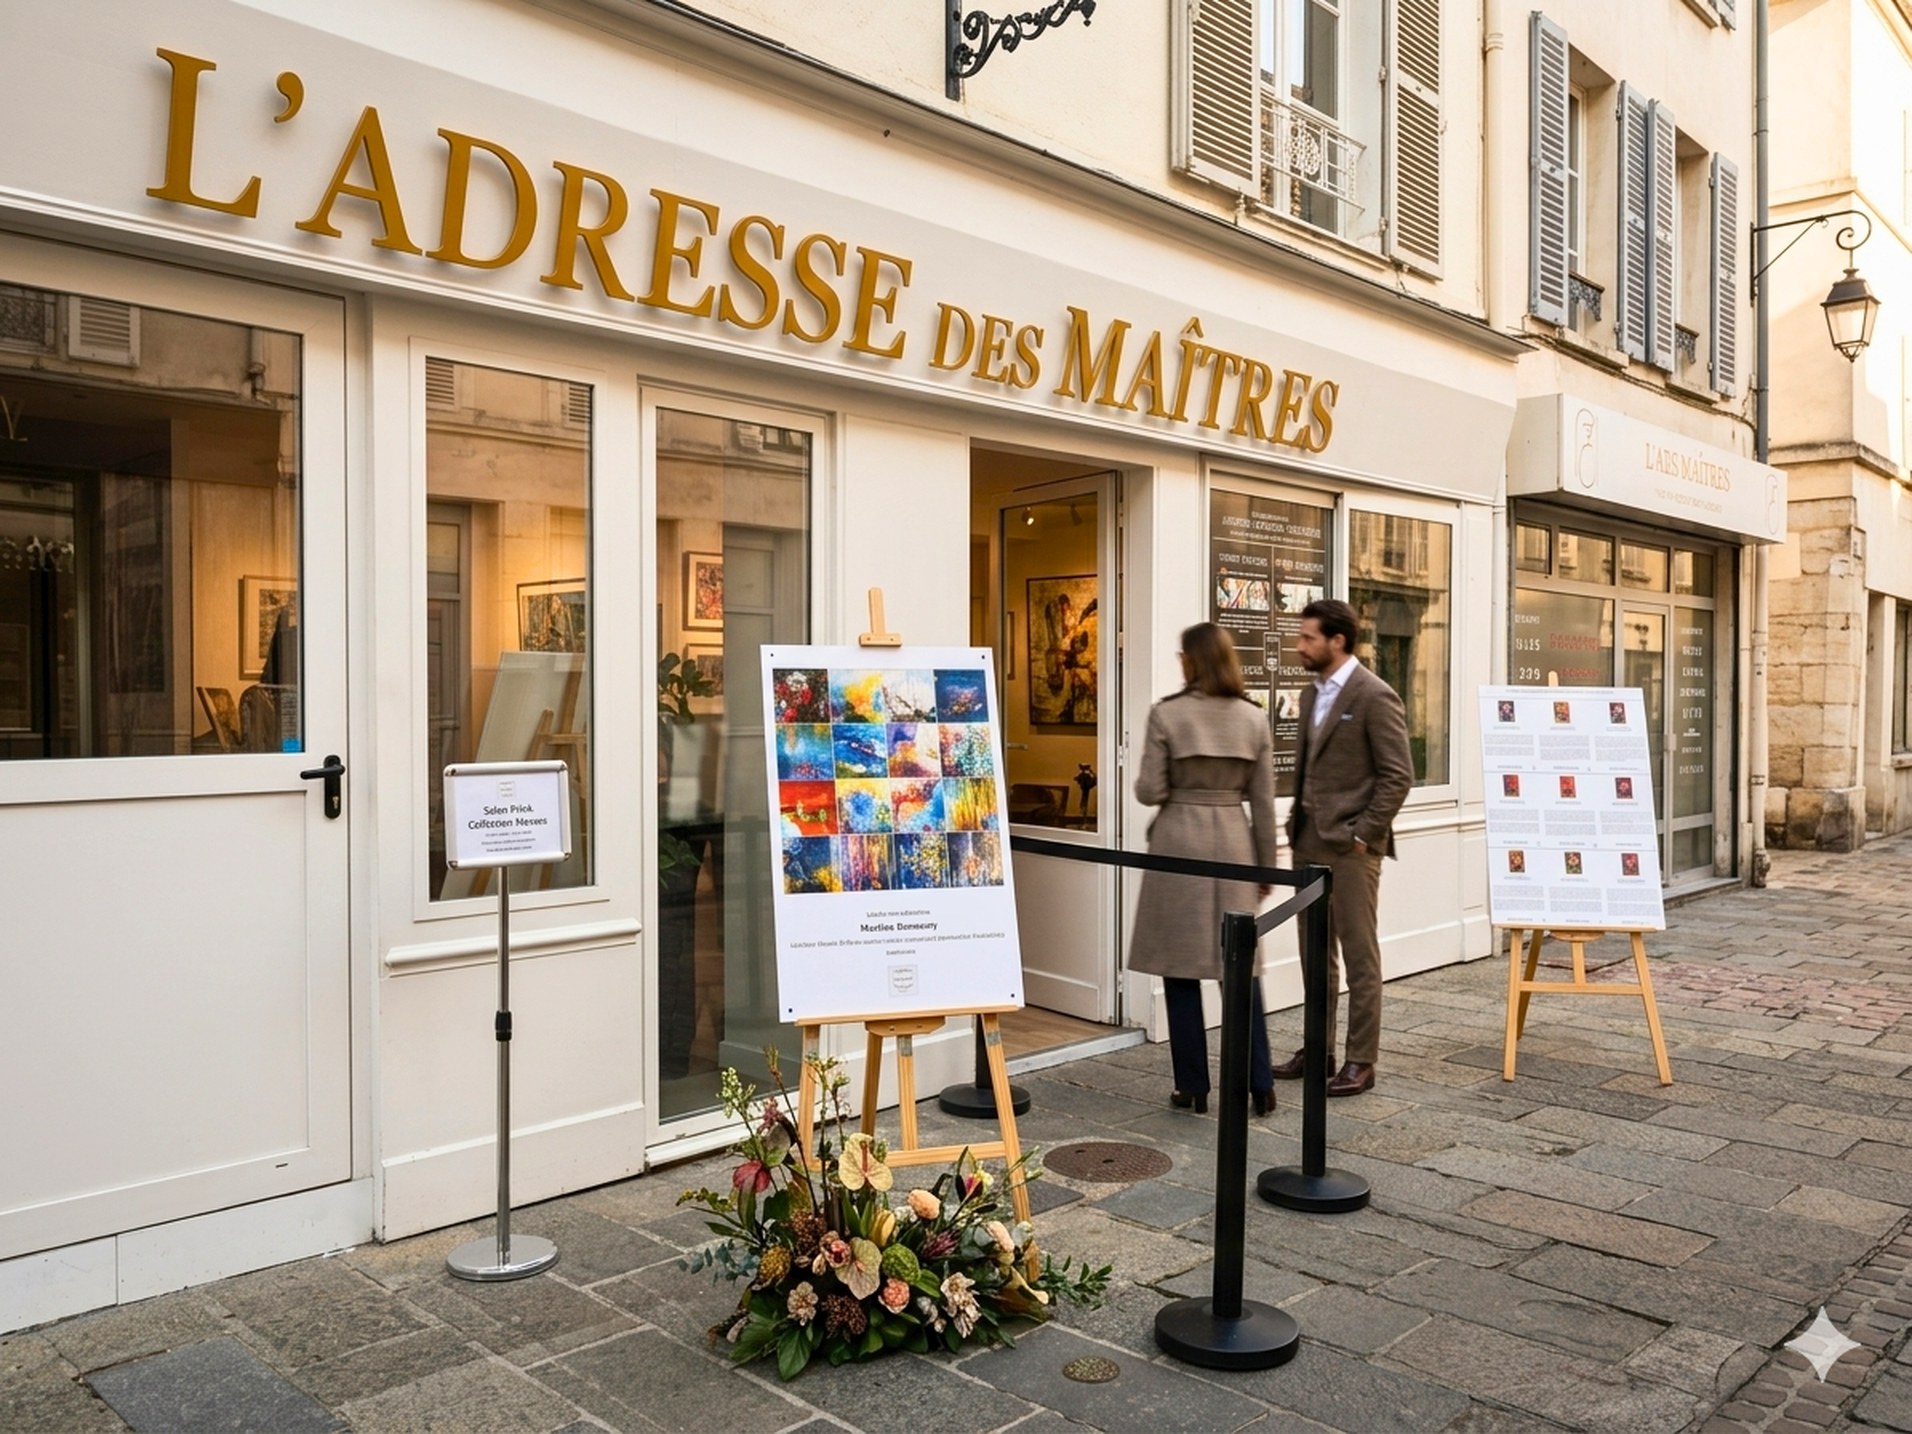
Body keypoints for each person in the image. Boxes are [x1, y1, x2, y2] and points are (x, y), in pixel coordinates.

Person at [1127, 622, 1279, 1116]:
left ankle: (1193, 1085)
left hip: (1180, 843)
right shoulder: (1253, 719)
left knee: (1180, 966)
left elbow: (1148, 790)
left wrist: (1179, 788)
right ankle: (1260, 1083)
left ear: (1191, 661)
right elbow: (1264, 803)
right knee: (1242, 968)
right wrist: (1267, 870)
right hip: (1235, 841)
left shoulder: (1168, 714)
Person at [1275, 599, 1413, 1098]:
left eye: (1309, 637)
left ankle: (1361, 1059)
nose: (1300, 645)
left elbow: (1399, 776)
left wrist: (1363, 833)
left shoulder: (1375, 696)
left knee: (1359, 955)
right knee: (1314, 956)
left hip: (1353, 849)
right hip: (1308, 839)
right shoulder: (1312, 695)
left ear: (1338, 641)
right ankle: (1318, 1048)